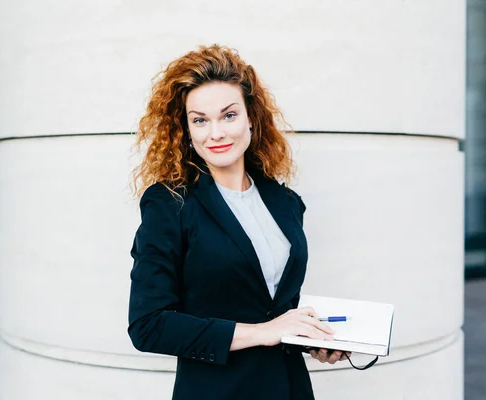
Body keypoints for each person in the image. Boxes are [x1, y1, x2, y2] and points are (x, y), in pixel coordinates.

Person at [128, 44, 348, 400]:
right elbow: (148, 326)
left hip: (290, 388)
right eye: (200, 120)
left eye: (228, 115)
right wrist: (265, 332)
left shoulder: (286, 203)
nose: (216, 132)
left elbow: (275, 306)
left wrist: (308, 337)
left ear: (250, 118)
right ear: (186, 128)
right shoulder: (169, 205)